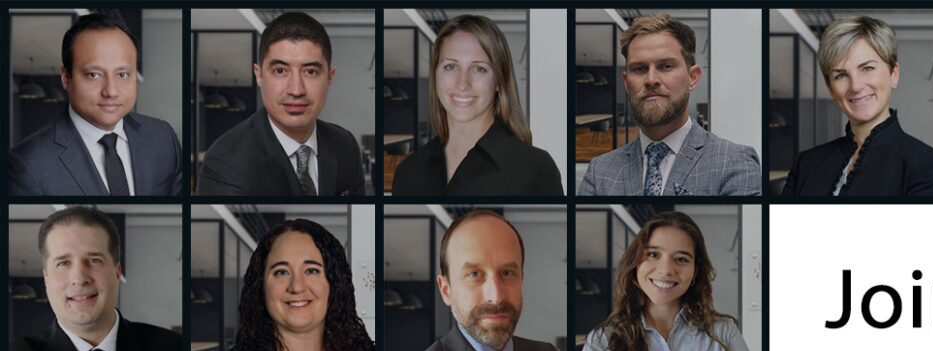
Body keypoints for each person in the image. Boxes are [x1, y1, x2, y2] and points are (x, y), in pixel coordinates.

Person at [577, 13, 761, 196]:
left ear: (692, 77)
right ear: (626, 83)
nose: (651, 80)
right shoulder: (599, 172)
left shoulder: (735, 162)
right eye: (639, 69)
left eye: (666, 66)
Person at [578, 211, 760, 351]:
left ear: (695, 271)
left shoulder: (724, 332)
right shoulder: (602, 340)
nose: (666, 270)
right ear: (635, 263)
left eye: (681, 259)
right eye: (653, 254)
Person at [10, 13, 181, 196]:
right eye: (94, 75)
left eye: (122, 74)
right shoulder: (28, 164)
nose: (111, 91)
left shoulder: (163, 138)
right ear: (66, 78)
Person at [9, 206, 181, 351]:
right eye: (63, 263)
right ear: (46, 279)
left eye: (94, 260)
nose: (79, 278)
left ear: (117, 272)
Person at [196, 12, 366, 196]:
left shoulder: (345, 144)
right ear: (259, 76)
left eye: (310, 71)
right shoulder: (225, 163)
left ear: (329, 77)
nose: (296, 90)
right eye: (280, 70)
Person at [389, 210, 564, 351]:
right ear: (446, 290)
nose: (496, 297)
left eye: (506, 273)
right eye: (474, 274)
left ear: (521, 279)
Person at [391, 15, 562, 196]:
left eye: (479, 68)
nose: (462, 83)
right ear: (435, 75)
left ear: (499, 81)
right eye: (450, 66)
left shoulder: (536, 169)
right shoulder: (407, 172)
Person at [192, 219, 375, 351]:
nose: (296, 287)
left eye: (311, 270)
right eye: (281, 272)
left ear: (334, 283)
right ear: (261, 286)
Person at [779, 16, 933, 196]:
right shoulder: (806, 164)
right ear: (830, 88)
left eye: (867, 68)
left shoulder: (926, 165)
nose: (856, 86)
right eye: (841, 75)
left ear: (893, 74)